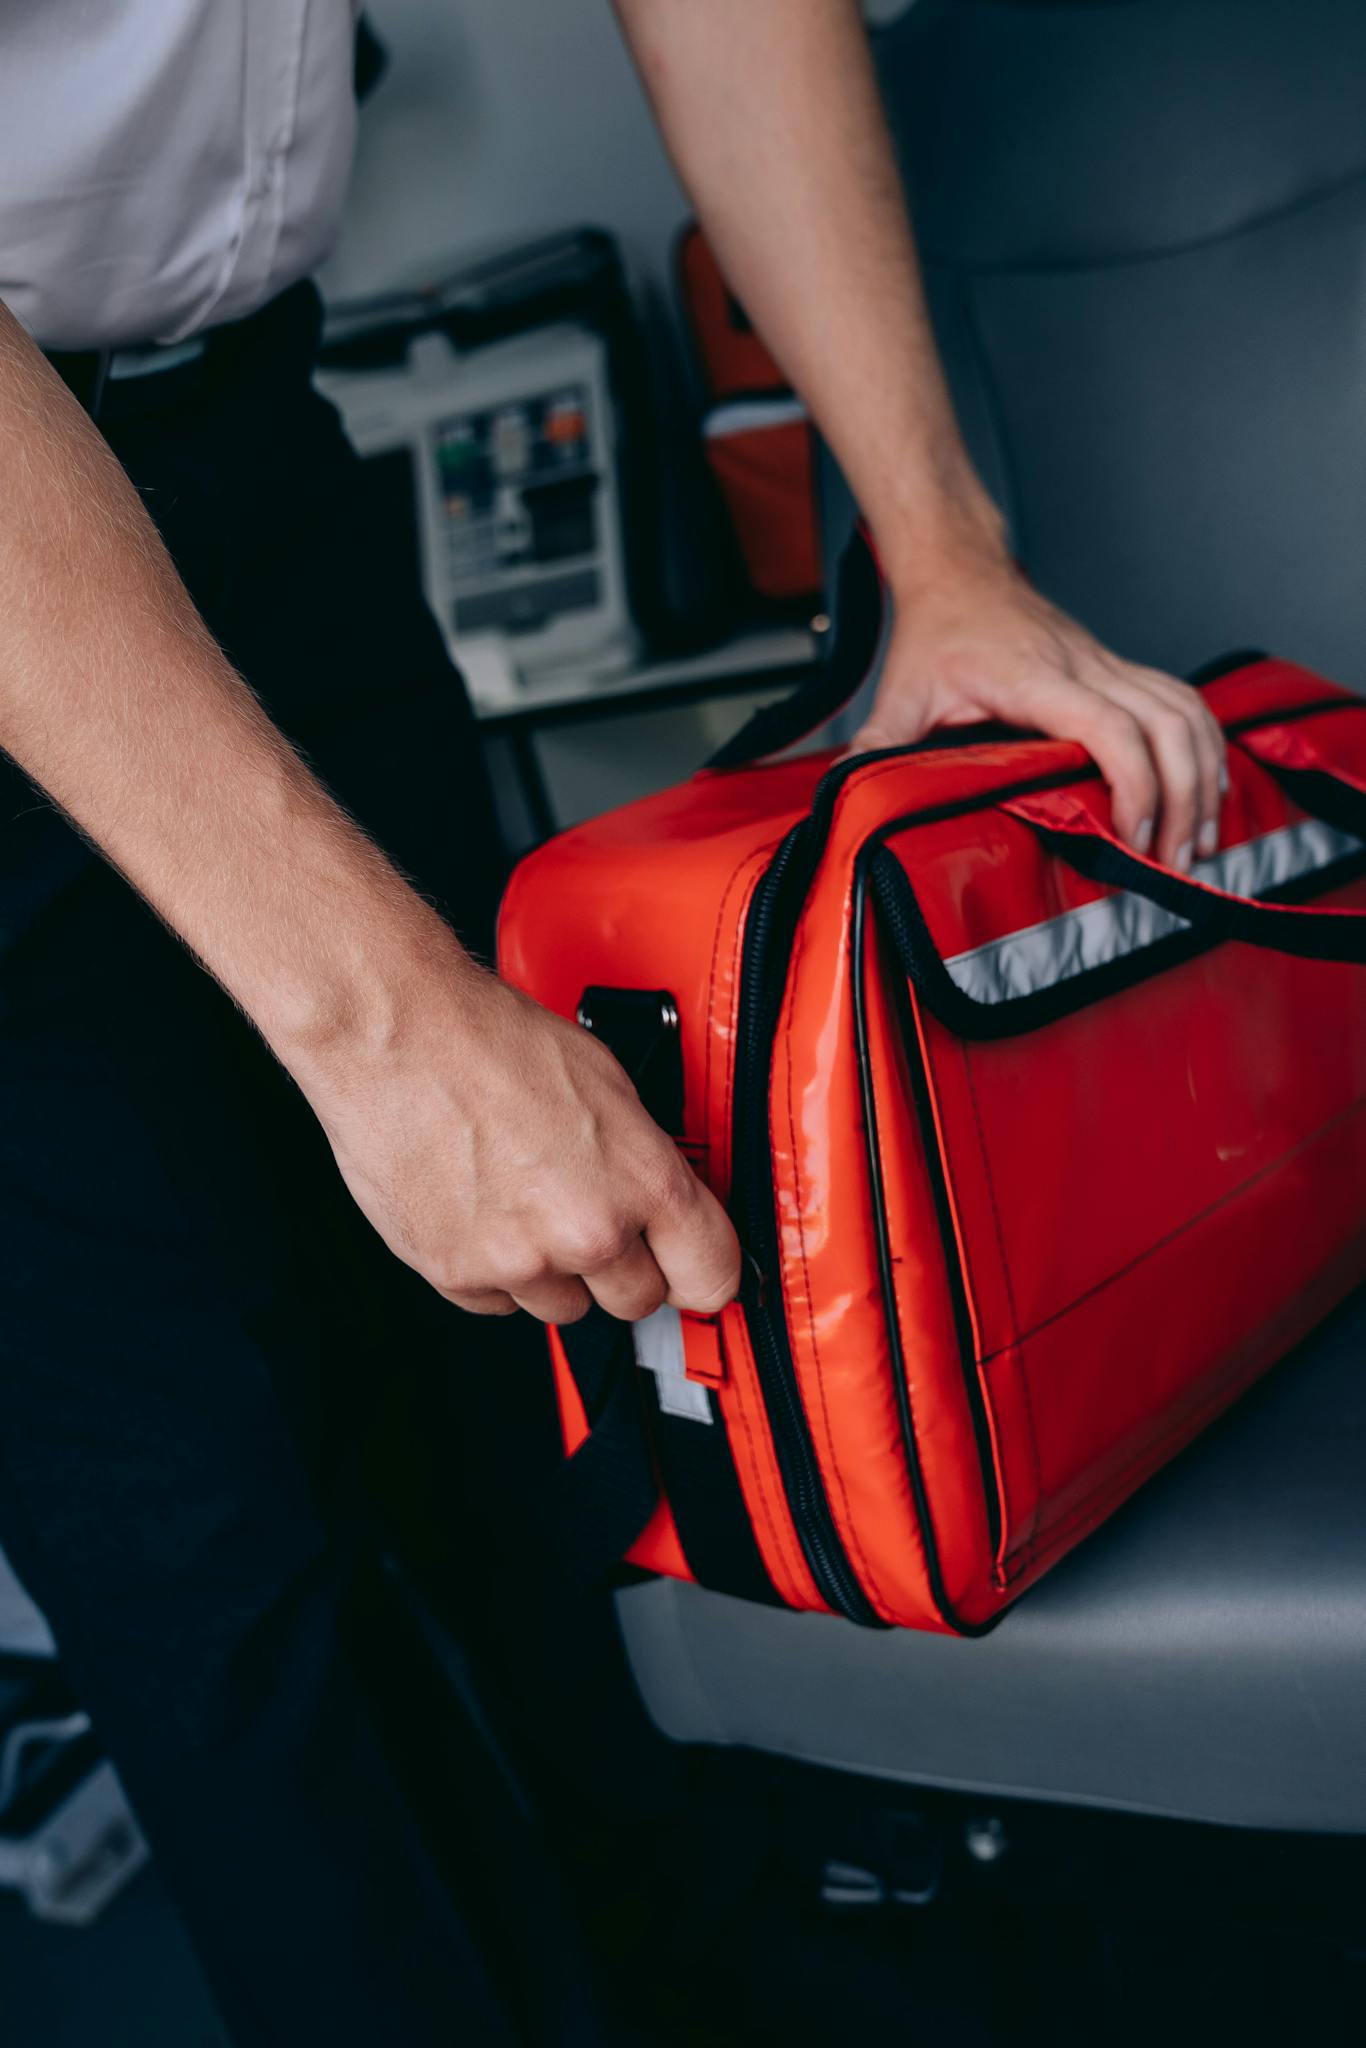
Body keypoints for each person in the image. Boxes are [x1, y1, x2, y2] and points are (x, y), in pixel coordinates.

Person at [0, 3, 1228, 2041]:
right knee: (226, 1561)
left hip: (257, 448)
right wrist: (384, 1025)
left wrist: (940, 555)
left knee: (530, 1408)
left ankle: (699, 1977)